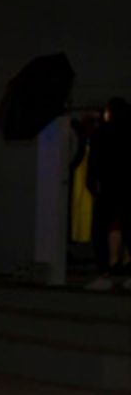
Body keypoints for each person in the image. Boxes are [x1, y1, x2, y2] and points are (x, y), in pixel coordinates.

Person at [84, 97, 131, 290]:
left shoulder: (102, 133)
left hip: (107, 188)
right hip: (127, 188)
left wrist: (92, 184)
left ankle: (105, 271)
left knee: (102, 229)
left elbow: (94, 163)